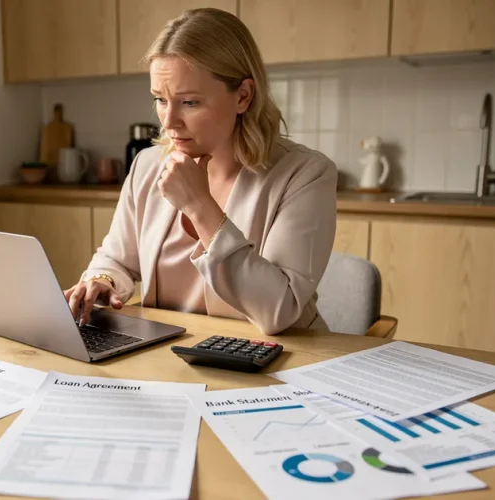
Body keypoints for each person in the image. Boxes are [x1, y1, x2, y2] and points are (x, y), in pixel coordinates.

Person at [65, 8, 337, 336]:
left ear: (243, 96)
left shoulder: (305, 174)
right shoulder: (148, 165)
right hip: (167, 355)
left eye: (190, 102)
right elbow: (117, 259)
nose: (169, 121)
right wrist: (101, 279)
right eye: (160, 100)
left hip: (282, 358)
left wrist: (199, 205)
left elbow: (278, 310)